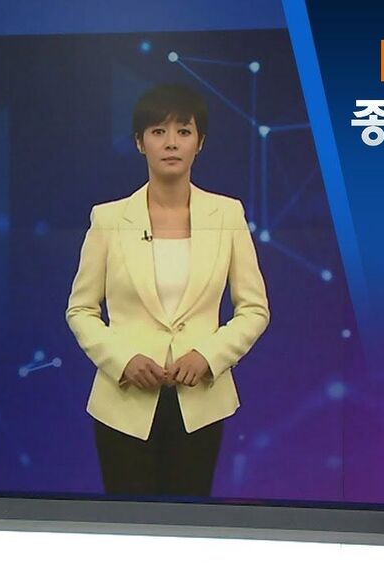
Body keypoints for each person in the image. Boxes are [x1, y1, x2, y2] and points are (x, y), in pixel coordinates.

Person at [66, 83, 270, 497]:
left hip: (200, 401)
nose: (171, 142)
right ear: (139, 143)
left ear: (200, 142)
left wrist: (209, 356)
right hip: (124, 403)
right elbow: (81, 309)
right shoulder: (108, 219)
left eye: (183, 131)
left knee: (189, 521)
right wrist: (122, 360)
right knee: (128, 522)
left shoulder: (227, 215)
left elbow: (254, 309)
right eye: (158, 131)